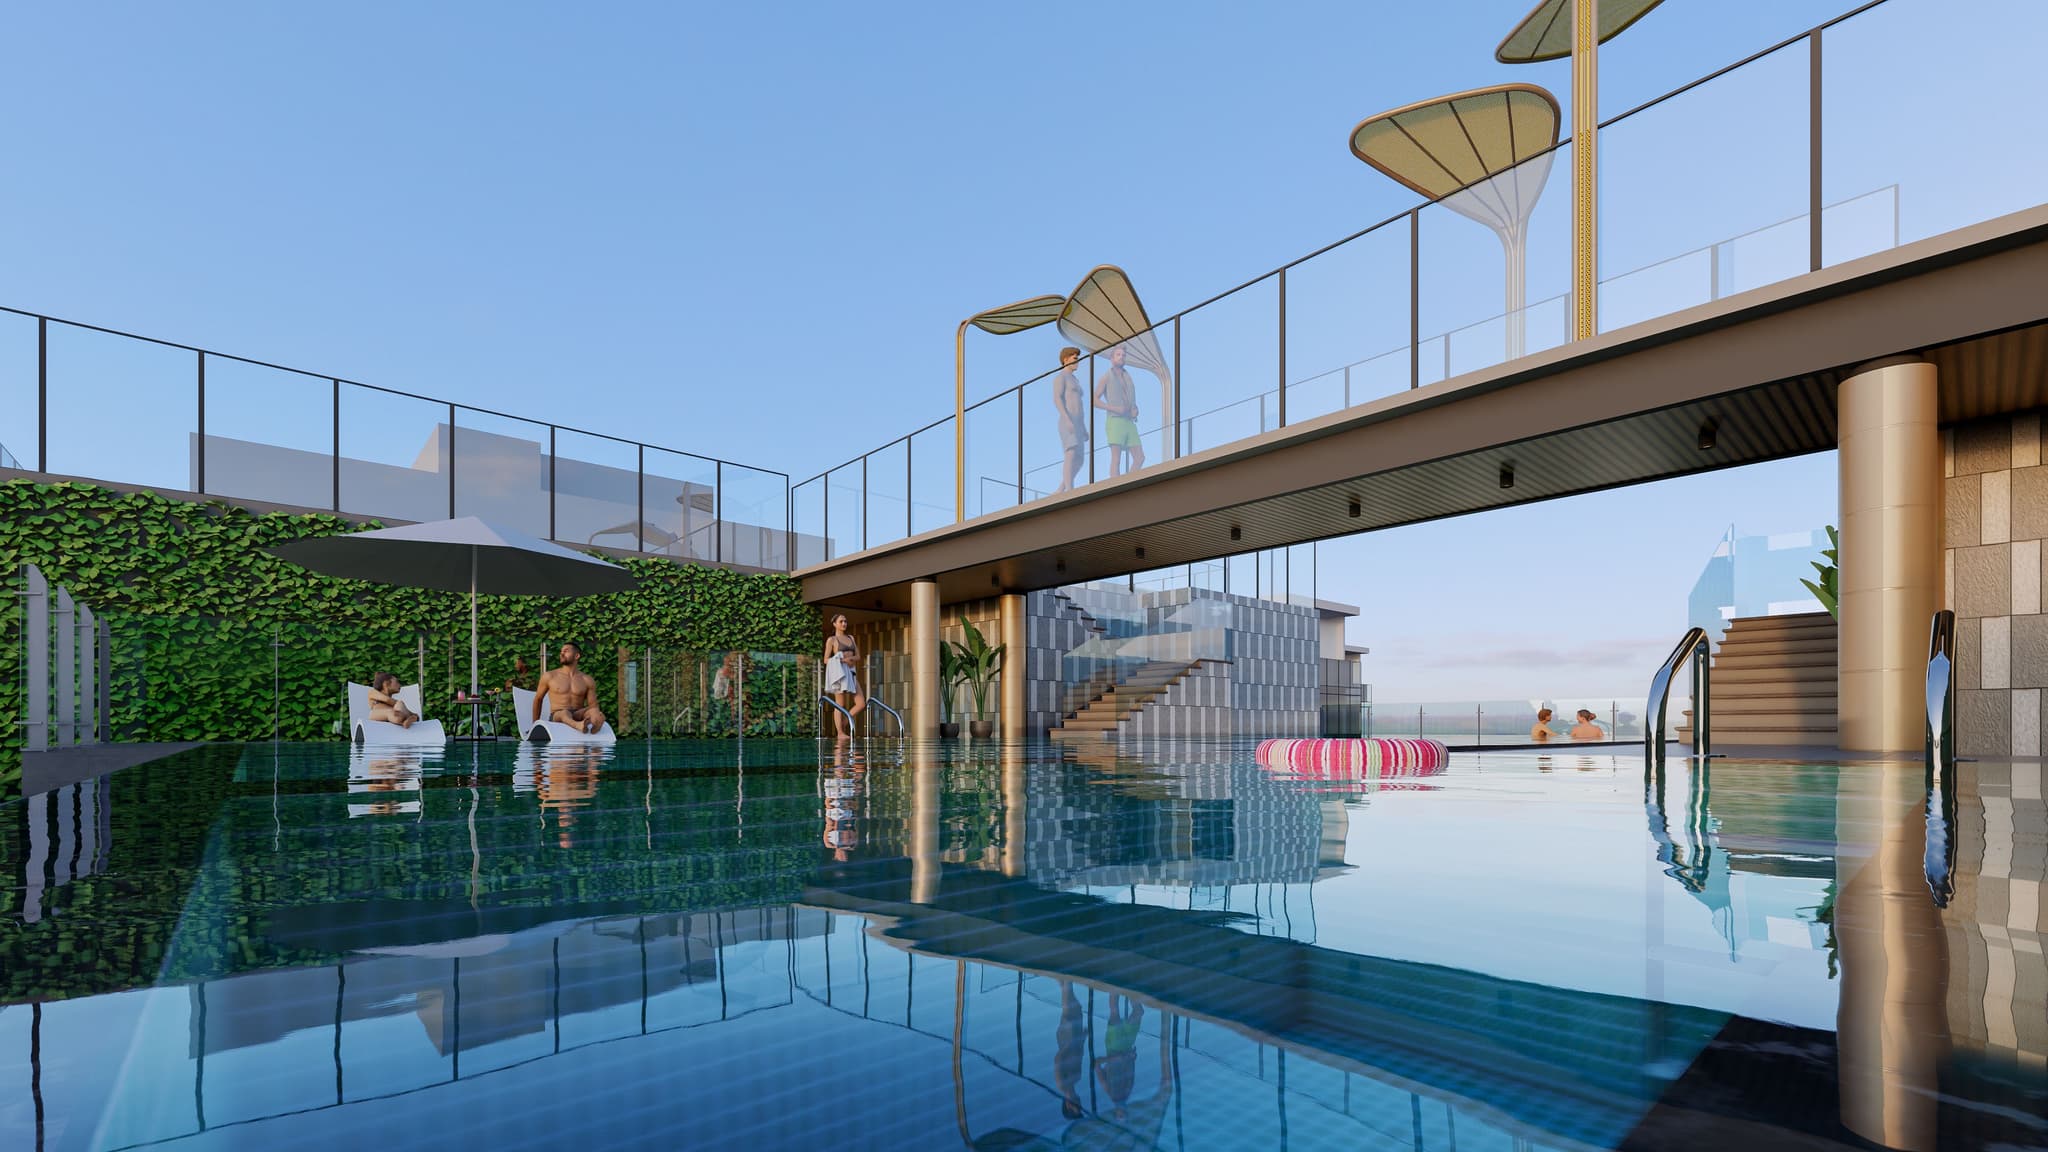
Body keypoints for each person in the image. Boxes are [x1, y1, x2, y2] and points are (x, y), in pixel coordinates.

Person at [1093, 344, 1145, 477]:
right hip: (1115, 420)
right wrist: (1113, 408)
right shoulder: (1106, 377)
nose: (1121, 357)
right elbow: (1094, 400)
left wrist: (1135, 409)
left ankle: (1129, 482)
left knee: (1139, 457)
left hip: (1129, 421)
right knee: (1116, 459)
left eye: (1123, 355)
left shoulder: (1128, 377)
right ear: (1112, 358)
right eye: (1118, 355)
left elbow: (1130, 398)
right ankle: (1115, 487)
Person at [534, 641, 607, 734]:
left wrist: (594, 713)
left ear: (577, 656)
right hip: (558, 715)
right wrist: (535, 724)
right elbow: (538, 699)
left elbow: (593, 705)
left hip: (577, 714)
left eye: (566, 651)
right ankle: (578, 725)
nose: (562, 653)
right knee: (564, 713)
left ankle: (595, 731)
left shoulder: (587, 680)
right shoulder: (550, 676)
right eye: (561, 651)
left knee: (594, 711)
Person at [823, 614, 866, 737]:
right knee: (840, 704)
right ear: (835, 624)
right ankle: (840, 733)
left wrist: (850, 659)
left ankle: (844, 722)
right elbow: (826, 659)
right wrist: (841, 660)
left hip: (851, 672)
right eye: (841, 621)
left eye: (845, 621)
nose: (844, 624)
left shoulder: (851, 638)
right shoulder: (832, 640)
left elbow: (858, 656)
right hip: (840, 673)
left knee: (861, 703)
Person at [1053, 347, 1088, 494]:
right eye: (1074, 358)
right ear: (1065, 359)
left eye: (1077, 358)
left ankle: (1061, 488)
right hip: (1068, 420)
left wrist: (1084, 428)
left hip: (1078, 423)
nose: (1077, 361)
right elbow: (1057, 398)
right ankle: (1069, 488)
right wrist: (1066, 418)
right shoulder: (1061, 377)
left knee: (1080, 460)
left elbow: (1079, 405)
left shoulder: (1075, 380)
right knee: (1071, 452)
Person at [1054, 981, 1087, 1120]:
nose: (1080, 1106)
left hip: (1067, 1038)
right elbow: (1079, 1056)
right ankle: (1062, 980)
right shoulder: (1077, 1079)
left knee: (1069, 1008)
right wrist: (1083, 1038)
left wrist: (1069, 1043)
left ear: (1068, 1105)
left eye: (1076, 1109)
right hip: (1076, 1038)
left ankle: (1063, 978)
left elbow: (1058, 1060)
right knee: (1076, 1007)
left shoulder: (1062, 1084)